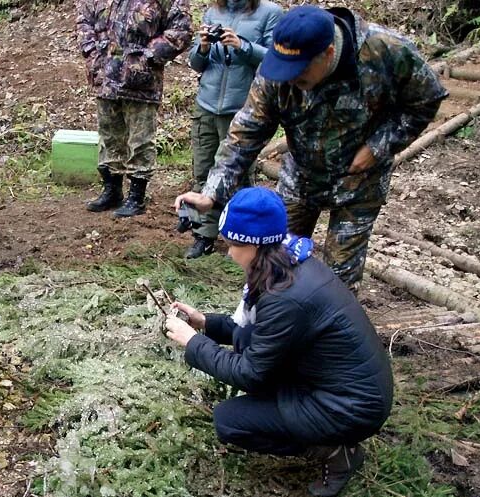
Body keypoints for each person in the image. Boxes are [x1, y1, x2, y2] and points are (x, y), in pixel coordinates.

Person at [175, 5, 448, 290]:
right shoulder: (277, 70)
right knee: (273, 267)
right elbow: (244, 134)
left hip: (359, 182)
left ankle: (326, 330)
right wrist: (211, 193)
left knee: (338, 281)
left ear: (328, 54)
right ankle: (274, 329)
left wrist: (379, 147)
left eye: (300, 74)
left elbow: (426, 99)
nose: (290, 79)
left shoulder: (386, 51)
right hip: (300, 179)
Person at [163, 187, 394, 497]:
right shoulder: (288, 263)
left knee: (230, 421)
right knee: (245, 340)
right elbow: (252, 333)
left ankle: (336, 451)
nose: (229, 253)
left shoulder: (286, 297)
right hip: (336, 383)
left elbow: (250, 372)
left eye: (233, 244)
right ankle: (314, 427)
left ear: (254, 245)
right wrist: (204, 323)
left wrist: (193, 343)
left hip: (350, 407)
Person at [185, 0, 283, 259]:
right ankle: (201, 235)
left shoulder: (269, 13)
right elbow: (195, 63)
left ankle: (240, 237)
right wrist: (204, 46)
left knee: (238, 178)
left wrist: (242, 46)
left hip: (243, 108)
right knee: (202, 172)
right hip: (207, 104)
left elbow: (275, 58)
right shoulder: (213, 11)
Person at [77, 0, 193, 218]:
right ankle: (112, 190)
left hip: (141, 82)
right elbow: (83, 20)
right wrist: (92, 53)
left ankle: (136, 197)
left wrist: (147, 58)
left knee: (140, 140)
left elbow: (181, 29)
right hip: (105, 78)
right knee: (109, 137)